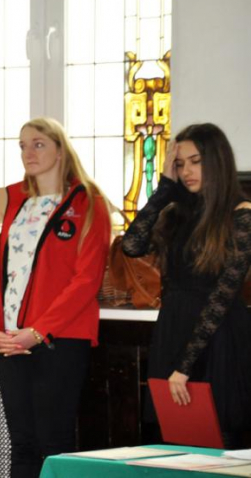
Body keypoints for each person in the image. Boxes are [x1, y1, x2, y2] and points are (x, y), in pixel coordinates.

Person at [0, 117, 111, 478]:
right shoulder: (18, 202)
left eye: (38, 144)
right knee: (21, 444)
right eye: (22, 145)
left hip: (59, 340)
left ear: (60, 149)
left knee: (53, 445)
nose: (28, 153)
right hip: (10, 340)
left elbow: (86, 281)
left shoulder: (89, 202)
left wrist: (38, 332)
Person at [122, 123, 251, 448]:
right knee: (173, 445)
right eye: (180, 164)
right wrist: (164, 187)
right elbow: (131, 245)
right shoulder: (178, 214)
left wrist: (184, 366)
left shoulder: (242, 215)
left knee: (218, 445)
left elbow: (222, 297)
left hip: (218, 339)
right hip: (173, 329)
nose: (187, 170)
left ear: (216, 160)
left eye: (196, 161)